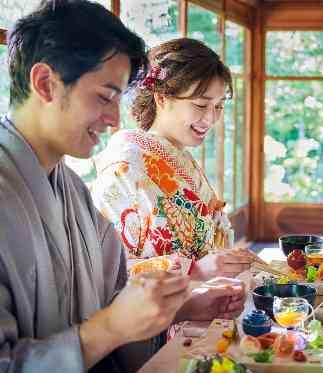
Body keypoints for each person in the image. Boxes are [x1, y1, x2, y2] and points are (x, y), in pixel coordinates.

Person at [0, 2, 246, 373]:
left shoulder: (72, 191)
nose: (115, 117)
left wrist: (186, 305)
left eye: (118, 99)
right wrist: (110, 329)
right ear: (45, 84)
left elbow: (113, 296)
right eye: (103, 96)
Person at [92, 38, 263, 280]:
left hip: (202, 303)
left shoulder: (181, 158)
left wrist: (231, 260)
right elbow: (104, 271)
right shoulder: (125, 167)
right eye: (201, 105)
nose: (211, 118)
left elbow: (206, 248)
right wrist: (194, 271)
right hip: (153, 313)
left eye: (219, 107)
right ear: (162, 98)